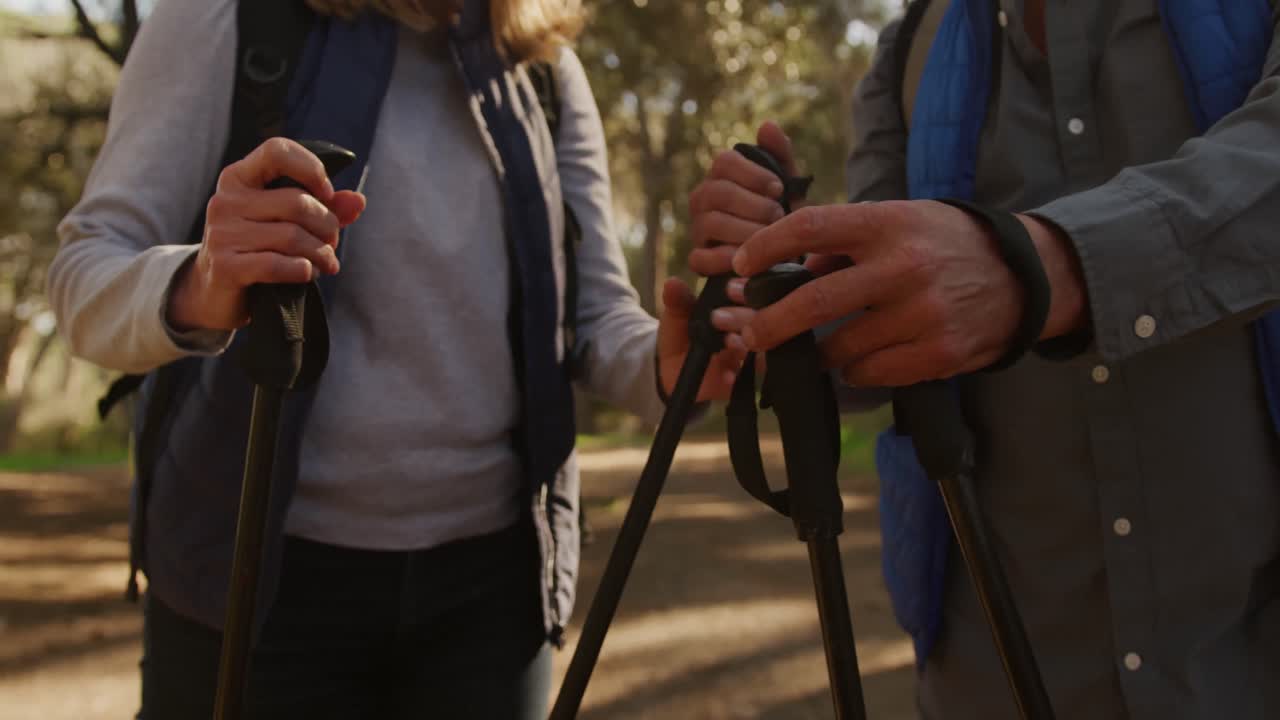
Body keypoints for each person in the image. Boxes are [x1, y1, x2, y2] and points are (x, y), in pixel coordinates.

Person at [49, 0, 745, 717]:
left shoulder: (545, 72)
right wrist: (204, 280)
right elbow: (83, 281)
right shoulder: (222, 20)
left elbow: (596, 323)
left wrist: (672, 365)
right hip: (253, 587)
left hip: (493, 598)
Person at [690, 0, 1280, 717]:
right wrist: (775, 297)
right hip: (984, 667)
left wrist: (1042, 268)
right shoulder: (908, 47)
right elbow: (878, 326)